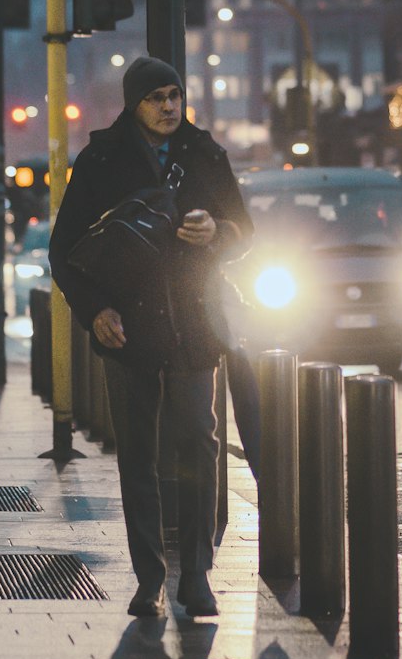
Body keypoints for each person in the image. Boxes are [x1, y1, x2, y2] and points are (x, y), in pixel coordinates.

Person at [49, 56, 253, 619]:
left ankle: (198, 575)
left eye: (174, 95)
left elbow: (244, 231)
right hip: (129, 330)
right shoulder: (102, 160)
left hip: (194, 326)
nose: (168, 107)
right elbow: (63, 252)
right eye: (155, 98)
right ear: (133, 103)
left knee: (199, 444)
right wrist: (95, 312)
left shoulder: (205, 154)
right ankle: (149, 580)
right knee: (137, 455)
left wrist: (219, 231)